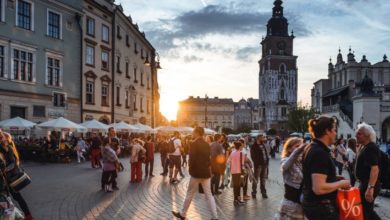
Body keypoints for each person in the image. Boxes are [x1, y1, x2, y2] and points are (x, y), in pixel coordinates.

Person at [302, 116, 351, 220]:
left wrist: (333, 178)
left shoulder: (312, 147)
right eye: (334, 130)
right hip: (322, 209)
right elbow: (318, 188)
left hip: (314, 205)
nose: (335, 134)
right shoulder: (320, 153)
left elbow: (314, 175)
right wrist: (342, 183)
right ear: (327, 131)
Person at [172, 127, 218, 220]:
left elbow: (191, 159)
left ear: (197, 133)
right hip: (206, 172)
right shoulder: (207, 144)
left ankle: (183, 214)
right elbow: (209, 159)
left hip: (196, 173)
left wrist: (190, 169)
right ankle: (215, 216)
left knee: (190, 193)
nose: (192, 133)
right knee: (209, 195)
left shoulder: (194, 144)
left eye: (193, 132)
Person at [0, 131, 33, 220]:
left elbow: (7, 164)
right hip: (10, 179)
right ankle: (28, 216)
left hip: (7, 180)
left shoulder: (6, 149)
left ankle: (16, 216)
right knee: (14, 199)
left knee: (7, 200)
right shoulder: (10, 148)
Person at [355, 122, 381, 220]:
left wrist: (370, 188)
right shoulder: (365, 146)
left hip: (369, 184)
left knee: (365, 212)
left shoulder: (370, 147)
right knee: (368, 211)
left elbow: (375, 168)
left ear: (367, 135)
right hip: (365, 183)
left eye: (359, 133)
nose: (356, 135)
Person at [275, 137, 305, 220]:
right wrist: (297, 151)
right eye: (297, 146)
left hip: (302, 204)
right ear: (289, 149)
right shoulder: (286, 159)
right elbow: (285, 166)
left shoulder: (302, 161)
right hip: (291, 204)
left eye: (301, 146)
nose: (300, 149)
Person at [227, 141, 250, 205]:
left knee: (235, 186)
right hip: (240, 172)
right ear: (240, 146)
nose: (242, 147)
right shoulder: (241, 153)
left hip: (233, 172)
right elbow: (243, 162)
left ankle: (235, 200)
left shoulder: (232, 152)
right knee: (239, 186)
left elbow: (228, 161)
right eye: (241, 146)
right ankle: (238, 200)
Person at [250, 134, 269, 199]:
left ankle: (263, 193)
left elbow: (265, 154)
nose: (264, 139)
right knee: (256, 179)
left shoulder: (263, 145)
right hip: (258, 165)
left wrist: (267, 162)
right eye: (262, 138)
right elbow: (253, 156)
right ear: (258, 138)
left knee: (263, 179)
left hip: (264, 165)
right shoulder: (254, 146)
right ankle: (254, 192)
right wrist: (257, 163)